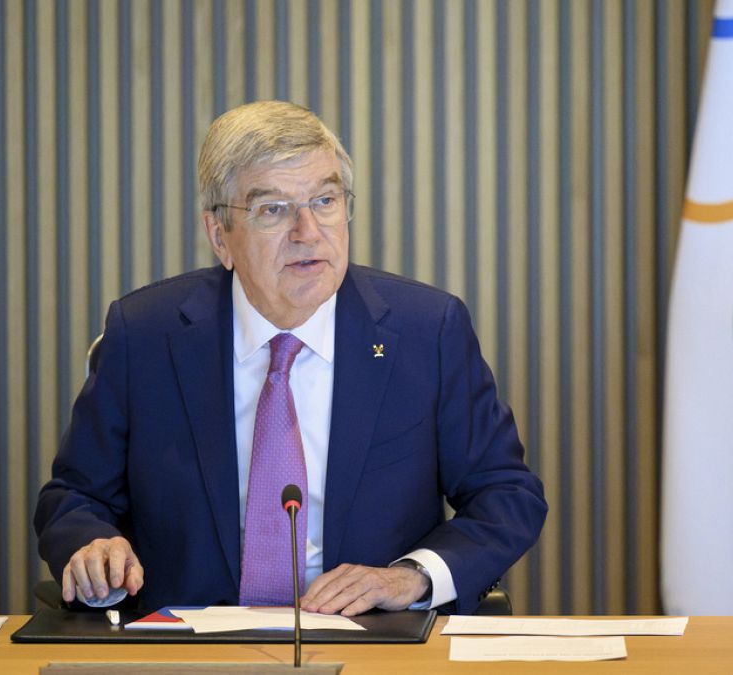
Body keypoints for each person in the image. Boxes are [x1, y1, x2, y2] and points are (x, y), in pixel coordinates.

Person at [34, 100, 547, 616]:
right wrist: (91, 546)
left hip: (375, 639)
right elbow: (75, 496)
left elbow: (506, 494)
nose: (308, 231)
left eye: (325, 200)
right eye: (273, 210)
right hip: (186, 639)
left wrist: (411, 576)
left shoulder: (426, 331)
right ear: (220, 236)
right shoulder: (146, 334)